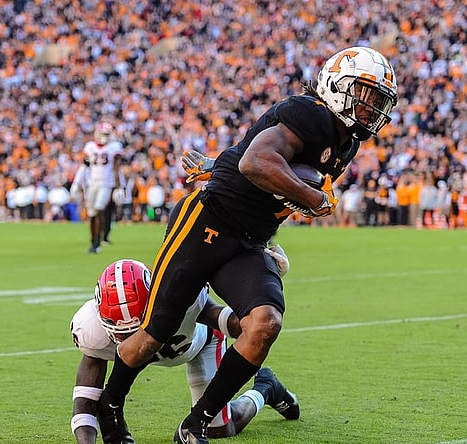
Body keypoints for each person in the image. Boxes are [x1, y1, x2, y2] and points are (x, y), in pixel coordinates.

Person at [98, 46, 398, 444]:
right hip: (207, 222)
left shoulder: (347, 142)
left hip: (249, 241)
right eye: (366, 95)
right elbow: (255, 162)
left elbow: (256, 160)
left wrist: (221, 164)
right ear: (338, 87)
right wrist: (312, 200)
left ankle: (196, 422)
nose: (371, 107)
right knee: (155, 332)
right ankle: (111, 404)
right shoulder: (309, 114)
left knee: (265, 323)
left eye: (378, 101)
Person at [72, 258, 298, 444]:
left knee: (220, 428)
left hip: (201, 345)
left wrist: (263, 291)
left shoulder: (179, 299)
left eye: (138, 329)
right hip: (177, 349)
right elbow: (85, 401)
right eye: (121, 333)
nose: (130, 339)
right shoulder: (91, 329)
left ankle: (265, 388)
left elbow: (232, 324)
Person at [73, 121, 125, 253]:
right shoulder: (90, 146)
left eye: (107, 134)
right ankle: (94, 241)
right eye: (103, 133)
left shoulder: (114, 147)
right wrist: (76, 183)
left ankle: (100, 238)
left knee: (99, 209)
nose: (104, 136)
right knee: (91, 214)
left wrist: (120, 186)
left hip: (106, 184)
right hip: (92, 184)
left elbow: (117, 169)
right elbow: (84, 166)